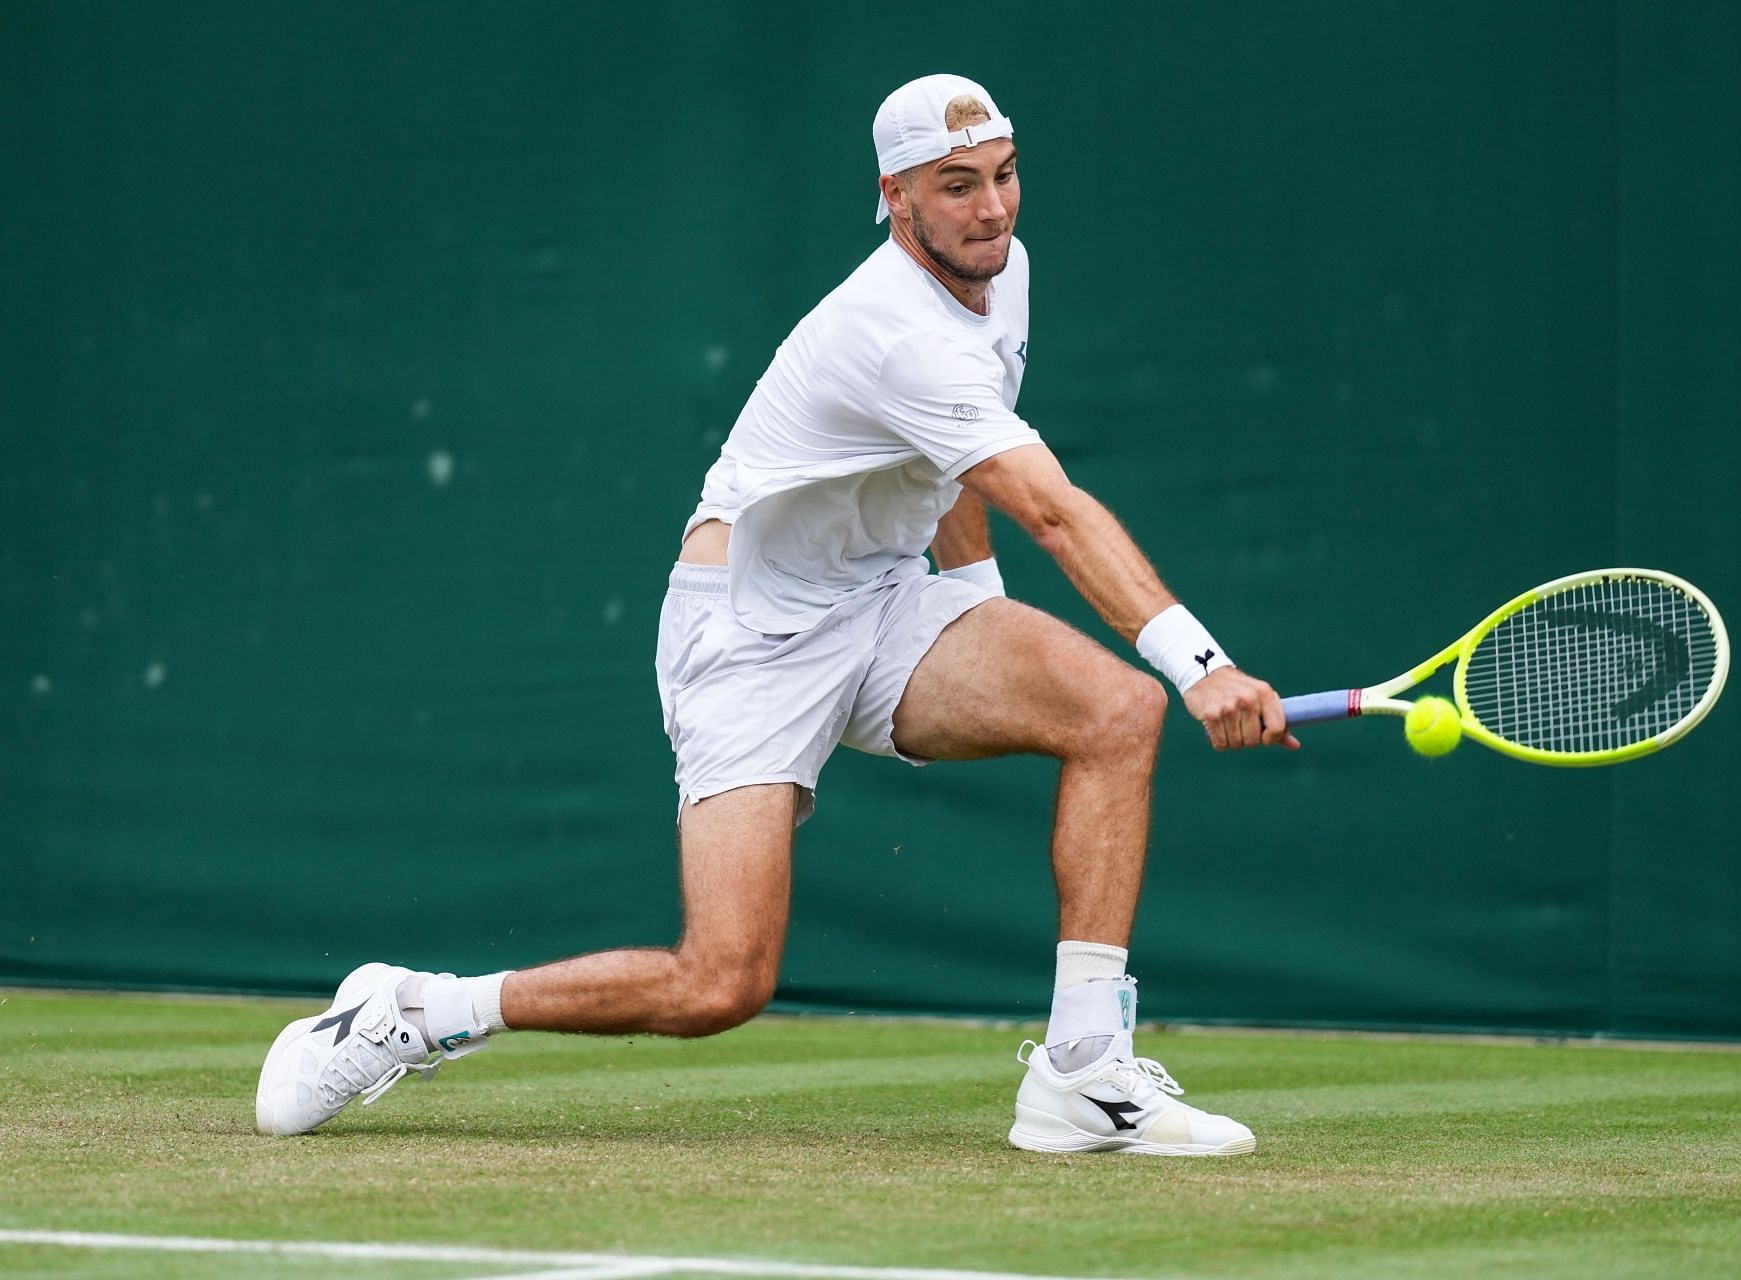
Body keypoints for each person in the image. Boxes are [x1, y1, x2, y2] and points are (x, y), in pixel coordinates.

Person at [256, 74, 1296, 1156]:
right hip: (748, 636)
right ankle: (416, 1010)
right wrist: (1202, 661)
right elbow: (1051, 505)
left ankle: (1082, 1072)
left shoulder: (1004, 272)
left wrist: (972, 611)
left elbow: (966, 465)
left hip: (888, 598)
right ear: (895, 197)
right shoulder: (891, 332)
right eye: (956, 187)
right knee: (721, 981)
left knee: (1116, 713)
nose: (991, 209)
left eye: (1003, 176)